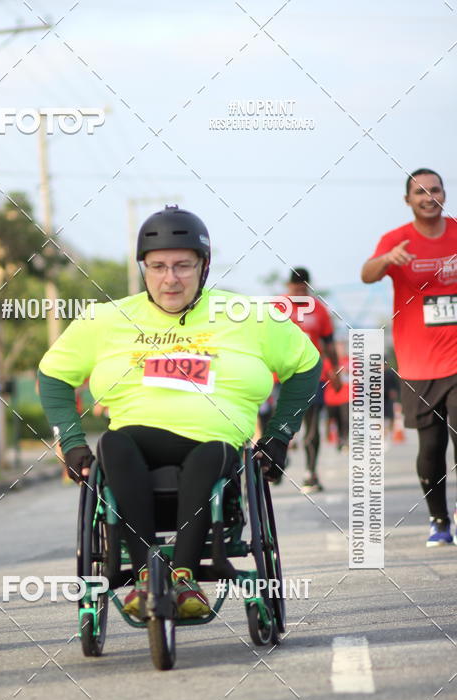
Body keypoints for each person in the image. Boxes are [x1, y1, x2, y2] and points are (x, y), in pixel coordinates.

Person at [38, 205, 321, 618]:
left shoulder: (246, 315)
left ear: (204, 267)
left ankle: (184, 579)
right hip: (136, 444)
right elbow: (54, 374)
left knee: (210, 452)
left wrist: (279, 436)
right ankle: (146, 579)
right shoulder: (106, 319)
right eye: (158, 266)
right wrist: (73, 440)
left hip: (217, 445)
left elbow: (306, 366)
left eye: (183, 266)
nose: (170, 278)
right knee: (113, 443)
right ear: (144, 268)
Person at [361, 168, 457, 547]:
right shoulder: (396, 239)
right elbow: (367, 274)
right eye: (420, 192)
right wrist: (387, 259)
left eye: (435, 190)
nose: (428, 196)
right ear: (408, 200)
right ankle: (439, 520)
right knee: (431, 448)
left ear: (444, 194)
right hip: (418, 362)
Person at [285, 268, 340, 492]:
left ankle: (310, 472)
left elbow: (328, 343)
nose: (299, 292)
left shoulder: (319, 310)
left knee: (312, 423)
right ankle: (278, 460)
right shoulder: (276, 308)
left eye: (303, 288)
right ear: (288, 287)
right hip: (282, 376)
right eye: (295, 288)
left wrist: (335, 369)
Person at [323, 341, 350, 451]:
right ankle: (333, 437)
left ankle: (344, 440)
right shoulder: (328, 362)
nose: (340, 350)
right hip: (331, 398)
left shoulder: (350, 361)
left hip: (346, 396)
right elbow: (325, 376)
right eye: (338, 347)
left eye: (342, 347)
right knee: (333, 419)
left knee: (345, 420)